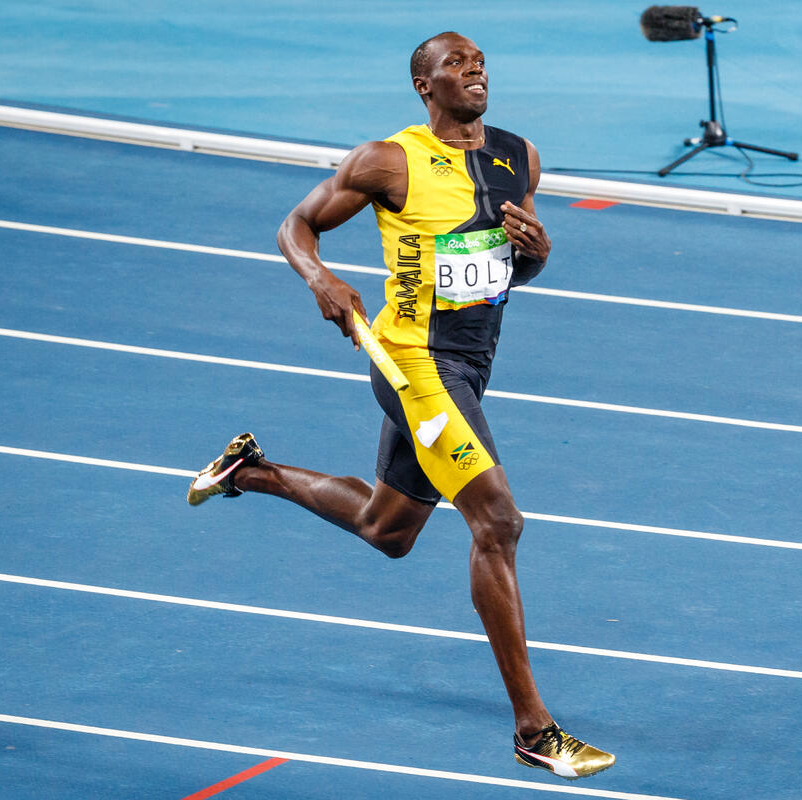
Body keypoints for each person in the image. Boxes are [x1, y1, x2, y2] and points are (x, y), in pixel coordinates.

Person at [185, 31, 614, 780]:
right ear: (425, 85)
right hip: (412, 362)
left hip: (471, 362)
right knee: (498, 522)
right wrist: (320, 278)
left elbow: (511, 270)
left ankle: (248, 470)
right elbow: (295, 225)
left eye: (480, 62)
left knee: (388, 529)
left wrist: (538, 255)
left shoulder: (519, 155)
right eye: (456, 64)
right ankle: (534, 730)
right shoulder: (388, 160)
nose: (474, 71)